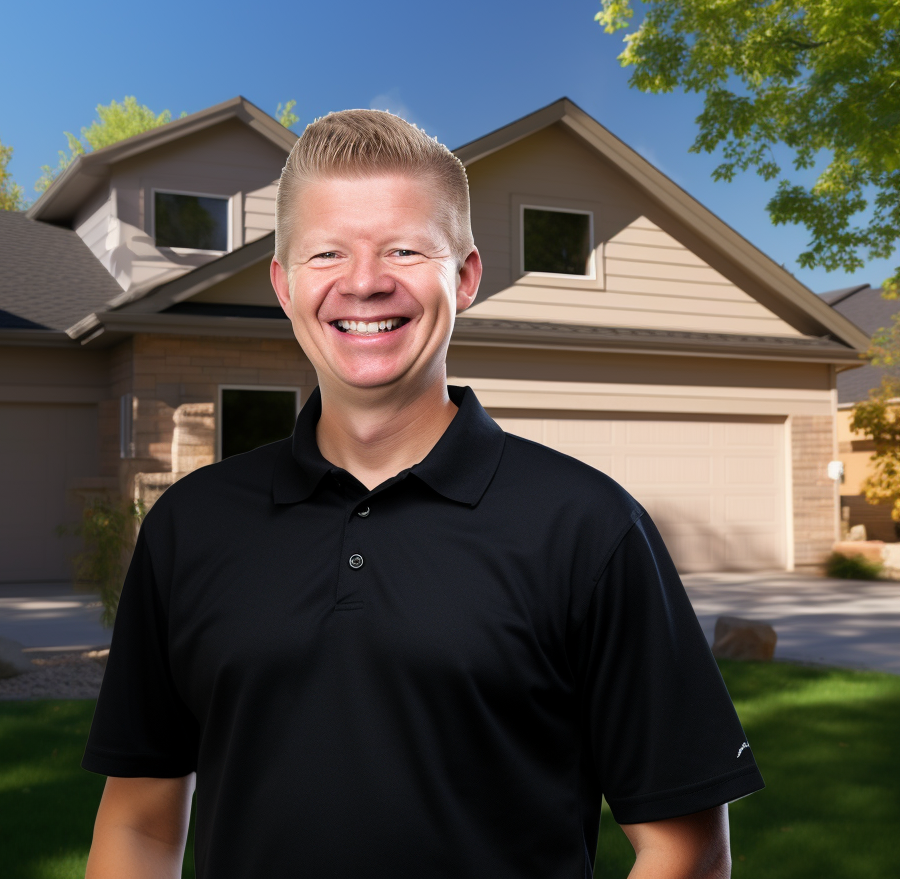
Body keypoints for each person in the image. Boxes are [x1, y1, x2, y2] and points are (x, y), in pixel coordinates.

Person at [83, 110, 763, 879]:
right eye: (327, 252)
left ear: (465, 277)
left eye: (404, 249)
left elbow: (686, 847)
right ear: (283, 284)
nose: (365, 281)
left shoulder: (587, 528)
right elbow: (138, 825)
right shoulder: (192, 527)